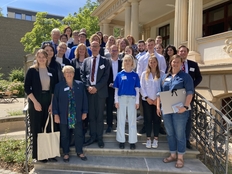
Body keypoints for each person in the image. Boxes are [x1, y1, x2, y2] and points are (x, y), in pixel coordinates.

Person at [157, 54, 194, 168]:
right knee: (170, 133)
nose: (175, 63)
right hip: (166, 109)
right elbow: (159, 93)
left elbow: (190, 93)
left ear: (181, 63)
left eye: (178, 62)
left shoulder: (186, 77)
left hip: (180, 110)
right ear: (170, 63)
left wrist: (185, 107)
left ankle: (180, 157)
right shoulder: (164, 77)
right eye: (174, 61)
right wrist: (158, 107)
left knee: (179, 133)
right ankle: (173, 154)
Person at [24, 49, 56, 162]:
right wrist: (35, 102)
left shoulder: (51, 71)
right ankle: (39, 155)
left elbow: (53, 89)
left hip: (48, 101)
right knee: (37, 128)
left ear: (47, 58)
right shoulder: (32, 71)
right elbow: (27, 88)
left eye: (44, 56)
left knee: (48, 128)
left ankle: (50, 153)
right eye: (39, 56)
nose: (42, 59)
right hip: (36, 102)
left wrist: (52, 104)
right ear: (37, 58)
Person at [52, 65, 88, 162]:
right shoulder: (58, 86)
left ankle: (79, 151)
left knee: (79, 134)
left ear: (73, 74)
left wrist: (85, 111)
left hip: (76, 114)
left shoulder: (79, 85)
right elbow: (55, 101)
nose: (69, 74)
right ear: (63, 74)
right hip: (63, 115)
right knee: (64, 135)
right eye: (66, 72)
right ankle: (66, 153)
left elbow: (84, 99)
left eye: (70, 72)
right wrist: (55, 114)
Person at [81, 41, 110, 148]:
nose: (94, 48)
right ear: (90, 47)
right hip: (89, 92)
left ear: (99, 48)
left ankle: (99, 137)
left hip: (100, 92)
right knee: (91, 116)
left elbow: (106, 77)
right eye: (92, 46)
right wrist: (88, 87)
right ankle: (92, 136)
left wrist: (96, 87)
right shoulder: (86, 61)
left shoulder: (105, 61)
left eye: (96, 46)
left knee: (99, 116)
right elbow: (82, 75)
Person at [178, 45, 202, 149]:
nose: (182, 53)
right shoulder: (174, 63)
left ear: (187, 53)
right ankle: (177, 138)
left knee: (188, 118)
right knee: (177, 117)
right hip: (177, 94)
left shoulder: (193, 64)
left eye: (184, 51)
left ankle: (186, 140)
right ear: (178, 53)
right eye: (181, 51)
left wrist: (191, 86)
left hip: (189, 95)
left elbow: (199, 77)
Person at [113, 54, 140, 150]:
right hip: (122, 98)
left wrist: (137, 102)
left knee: (132, 121)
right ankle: (121, 140)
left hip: (132, 99)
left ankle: (132, 141)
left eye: (129, 60)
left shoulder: (135, 75)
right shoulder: (119, 74)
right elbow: (116, 89)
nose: (127, 62)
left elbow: (137, 89)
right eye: (125, 60)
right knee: (121, 120)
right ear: (123, 62)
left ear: (132, 62)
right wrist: (116, 101)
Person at [140, 54, 164, 148]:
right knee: (148, 119)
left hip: (158, 101)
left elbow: (163, 87)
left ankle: (156, 139)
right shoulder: (144, 74)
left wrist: (157, 100)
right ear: (148, 63)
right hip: (147, 101)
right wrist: (147, 98)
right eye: (151, 62)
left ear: (157, 63)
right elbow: (141, 87)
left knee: (157, 119)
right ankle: (148, 138)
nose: (153, 63)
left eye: (154, 62)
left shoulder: (162, 74)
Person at [105, 45, 122, 133]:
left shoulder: (122, 63)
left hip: (121, 89)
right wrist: (109, 84)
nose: (114, 52)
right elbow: (104, 76)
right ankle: (109, 125)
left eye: (115, 50)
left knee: (120, 108)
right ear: (110, 51)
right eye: (112, 50)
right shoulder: (106, 63)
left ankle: (119, 124)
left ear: (118, 51)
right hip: (110, 88)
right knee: (109, 108)